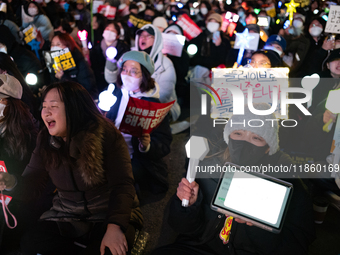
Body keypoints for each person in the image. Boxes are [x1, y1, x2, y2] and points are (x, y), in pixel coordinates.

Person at [152, 103, 315, 255]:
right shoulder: (207, 167)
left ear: (268, 148)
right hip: (199, 247)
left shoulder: (285, 183)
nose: (245, 142)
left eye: (256, 137)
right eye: (238, 133)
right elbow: (180, 226)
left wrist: (260, 227)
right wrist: (187, 205)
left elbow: (297, 245)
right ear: (228, 136)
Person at [0, 81, 143, 255]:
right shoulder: (45, 139)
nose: (46, 112)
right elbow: (32, 180)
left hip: (107, 211)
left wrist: (115, 227)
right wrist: (11, 182)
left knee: (110, 250)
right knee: (31, 243)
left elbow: (123, 185)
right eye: (44, 107)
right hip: (67, 212)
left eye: (53, 106)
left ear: (74, 108)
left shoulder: (106, 134)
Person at [106, 51, 172, 194]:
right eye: (124, 70)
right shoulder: (118, 93)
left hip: (135, 158)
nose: (127, 74)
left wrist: (147, 146)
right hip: (111, 148)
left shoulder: (153, 104)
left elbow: (164, 143)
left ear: (144, 76)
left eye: (134, 71)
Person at [0, 74, 38, 254]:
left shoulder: (30, 139)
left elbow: (34, 189)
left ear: (11, 105)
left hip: (14, 215)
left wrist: (11, 182)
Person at [135, 24, 181, 121]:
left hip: (160, 108)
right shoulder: (131, 58)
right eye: (142, 36)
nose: (143, 38)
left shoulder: (166, 64)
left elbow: (163, 96)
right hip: (135, 106)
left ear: (156, 40)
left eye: (148, 36)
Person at [50, 33, 98, 98]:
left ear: (68, 46)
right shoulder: (52, 64)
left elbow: (85, 88)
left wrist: (63, 78)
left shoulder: (80, 62)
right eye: (52, 44)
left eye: (58, 44)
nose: (54, 47)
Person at [0, 25, 44, 89]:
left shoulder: (26, 58)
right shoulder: (2, 59)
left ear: (7, 42)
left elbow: (36, 84)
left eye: (0, 46)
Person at [90, 21, 130, 92]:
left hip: (117, 83)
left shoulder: (123, 48)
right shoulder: (96, 48)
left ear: (117, 35)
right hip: (100, 83)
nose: (109, 32)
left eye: (112, 30)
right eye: (107, 29)